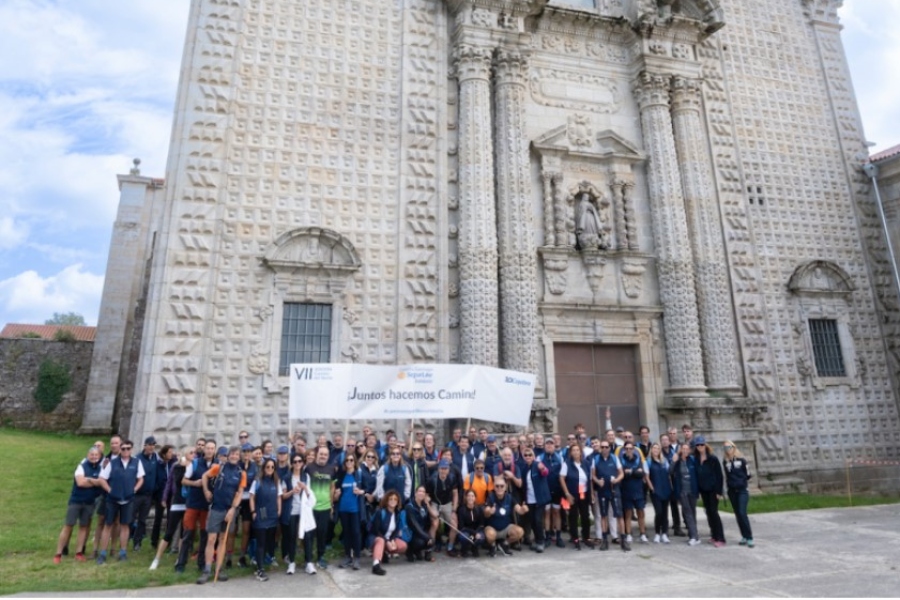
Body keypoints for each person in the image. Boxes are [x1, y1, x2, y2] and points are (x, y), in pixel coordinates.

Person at [197, 445, 247, 584]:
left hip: (229, 510)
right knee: (211, 539)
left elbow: (240, 492)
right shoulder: (219, 468)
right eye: (232, 454)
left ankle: (218, 568)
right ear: (228, 455)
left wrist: (233, 509)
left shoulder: (241, 473)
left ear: (239, 457)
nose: (234, 456)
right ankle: (207, 570)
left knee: (223, 540)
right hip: (216, 508)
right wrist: (206, 491)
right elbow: (205, 476)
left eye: (237, 455)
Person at [97, 440, 145, 564]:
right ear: (120, 449)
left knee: (125, 525)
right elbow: (102, 478)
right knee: (108, 524)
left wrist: (134, 489)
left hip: (128, 499)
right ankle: (103, 553)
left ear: (131, 449)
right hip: (112, 499)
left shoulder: (137, 462)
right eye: (123, 448)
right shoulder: (112, 463)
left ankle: (123, 552)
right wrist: (109, 490)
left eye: (128, 448)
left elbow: (141, 479)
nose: (125, 451)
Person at [55, 446, 103, 564]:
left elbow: (101, 483)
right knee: (68, 526)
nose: (94, 457)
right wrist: (94, 481)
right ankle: (58, 554)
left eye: (96, 455)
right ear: (88, 455)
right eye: (92, 455)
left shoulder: (101, 468)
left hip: (89, 502)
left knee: (83, 527)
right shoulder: (81, 467)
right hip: (76, 501)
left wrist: (89, 480)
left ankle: (79, 552)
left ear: (99, 456)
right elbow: (80, 483)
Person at [176, 439, 215, 573]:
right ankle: (181, 564)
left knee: (204, 536)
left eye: (212, 448)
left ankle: (202, 563)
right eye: (208, 448)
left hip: (207, 506)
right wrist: (195, 483)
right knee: (187, 534)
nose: (209, 450)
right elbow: (183, 481)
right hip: (193, 504)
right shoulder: (195, 463)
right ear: (204, 450)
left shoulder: (217, 466)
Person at [150, 446, 191, 570]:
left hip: (189, 503)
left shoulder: (195, 466)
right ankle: (157, 559)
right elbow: (175, 482)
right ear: (185, 454)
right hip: (177, 501)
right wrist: (164, 497)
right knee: (169, 531)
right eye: (191, 452)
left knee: (184, 533)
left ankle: (180, 558)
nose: (194, 455)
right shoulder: (177, 467)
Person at [283, 453, 317, 574]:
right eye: (295, 461)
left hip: (304, 511)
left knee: (307, 536)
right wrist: (293, 491)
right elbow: (283, 496)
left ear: (303, 463)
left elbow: (310, 495)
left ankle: (309, 562)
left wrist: (305, 488)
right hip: (292, 510)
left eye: (299, 461)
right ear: (292, 463)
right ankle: (292, 562)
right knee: (292, 536)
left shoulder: (306, 476)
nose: (297, 464)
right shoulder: (287, 477)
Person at [591, 437, 626, 551]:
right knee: (603, 515)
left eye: (607, 447)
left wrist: (616, 480)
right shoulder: (596, 459)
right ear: (600, 448)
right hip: (602, 491)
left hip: (614, 490)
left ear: (610, 448)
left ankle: (623, 540)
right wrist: (597, 481)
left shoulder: (615, 458)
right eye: (602, 447)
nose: (605, 449)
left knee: (619, 515)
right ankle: (605, 540)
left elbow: (621, 474)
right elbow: (593, 476)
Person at [305, 446, 336, 570]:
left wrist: (331, 503)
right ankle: (308, 560)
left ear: (328, 456)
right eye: (321, 454)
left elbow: (332, 487)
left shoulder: (331, 469)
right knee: (309, 535)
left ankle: (320, 557)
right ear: (317, 454)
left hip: (325, 507)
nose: (323, 456)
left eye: (325, 454)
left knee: (322, 534)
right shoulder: (309, 468)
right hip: (311, 508)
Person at [250, 458, 281, 581]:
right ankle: (260, 569)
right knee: (261, 543)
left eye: (272, 467)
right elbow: (252, 497)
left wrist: (279, 510)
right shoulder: (257, 481)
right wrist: (253, 511)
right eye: (268, 467)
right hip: (261, 514)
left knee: (270, 541)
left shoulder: (276, 482)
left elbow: (279, 497)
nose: (270, 469)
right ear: (263, 468)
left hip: (273, 515)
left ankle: (265, 560)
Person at [132, 436, 163, 553]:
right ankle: (127, 537)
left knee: (142, 520)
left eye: (153, 445)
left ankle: (137, 542)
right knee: (130, 518)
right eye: (149, 445)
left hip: (149, 495)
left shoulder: (156, 458)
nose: (151, 447)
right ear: (145, 445)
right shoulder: (137, 458)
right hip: (137, 494)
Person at [559, 443, 592, 549]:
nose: (576, 452)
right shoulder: (567, 463)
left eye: (578, 450)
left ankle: (586, 537)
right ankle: (575, 538)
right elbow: (561, 478)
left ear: (580, 452)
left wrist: (591, 494)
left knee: (585, 516)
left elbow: (590, 479)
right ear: (570, 453)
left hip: (583, 492)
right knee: (573, 516)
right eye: (573, 450)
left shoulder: (586, 463)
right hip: (572, 493)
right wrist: (567, 494)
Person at [335, 453, 365, 570]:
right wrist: (336, 494)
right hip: (343, 508)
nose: (349, 462)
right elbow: (337, 490)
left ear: (355, 462)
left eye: (351, 460)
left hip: (355, 509)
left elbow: (366, 488)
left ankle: (357, 557)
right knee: (346, 533)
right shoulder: (342, 475)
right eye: (347, 460)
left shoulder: (358, 474)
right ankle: (348, 556)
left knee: (356, 533)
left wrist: (361, 491)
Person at [694, 436, 726, 547]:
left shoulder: (712, 459)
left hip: (713, 490)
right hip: (704, 490)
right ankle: (714, 535)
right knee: (708, 512)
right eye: (697, 445)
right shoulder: (696, 459)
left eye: (701, 445)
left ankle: (721, 538)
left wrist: (719, 491)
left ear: (705, 445)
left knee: (714, 512)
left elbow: (719, 476)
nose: (700, 447)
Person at [369, 490, 409, 576]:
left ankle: (384, 553)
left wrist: (392, 540)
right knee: (381, 541)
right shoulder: (380, 512)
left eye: (395, 499)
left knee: (403, 546)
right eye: (390, 499)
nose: (393, 501)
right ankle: (376, 565)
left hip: (388, 538)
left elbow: (396, 530)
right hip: (375, 538)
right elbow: (376, 530)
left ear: (398, 502)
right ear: (386, 501)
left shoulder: (397, 514)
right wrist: (387, 541)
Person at [484, 479, 527, 556]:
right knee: (489, 534)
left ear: (505, 487)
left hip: (506, 528)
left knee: (520, 531)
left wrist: (523, 509)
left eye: (502, 486)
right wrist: (489, 511)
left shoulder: (510, 498)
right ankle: (493, 546)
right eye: (497, 486)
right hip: (493, 528)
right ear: (494, 487)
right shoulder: (490, 497)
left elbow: (519, 510)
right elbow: (486, 513)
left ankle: (504, 544)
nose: (499, 488)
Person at [723, 440, 754, 547]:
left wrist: (741, 482)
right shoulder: (725, 462)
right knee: (737, 514)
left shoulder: (741, 460)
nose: (727, 450)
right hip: (732, 491)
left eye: (729, 447)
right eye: (725, 448)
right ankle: (744, 536)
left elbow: (748, 474)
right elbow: (727, 475)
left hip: (742, 490)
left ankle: (749, 537)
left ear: (733, 447)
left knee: (742, 512)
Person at [670, 440, 701, 546]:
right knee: (688, 513)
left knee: (693, 513)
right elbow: (669, 471)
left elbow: (697, 474)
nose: (684, 451)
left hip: (692, 490)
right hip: (682, 491)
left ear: (689, 450)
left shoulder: (692, 460)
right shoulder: (678, 461)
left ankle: (695, 535)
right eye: (682, 449)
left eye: (686, 449)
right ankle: (693, 536)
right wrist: (673, 461)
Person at [520, 447, 550, 552]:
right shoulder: (524, 469)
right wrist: (524, 500)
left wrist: (543, 468)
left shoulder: (537, 465)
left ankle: (541, 541)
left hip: (539, 499)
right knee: (532, 521)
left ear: (533, 456)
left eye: (530, 455)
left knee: (538, 520)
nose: (528, 457)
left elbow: (545, 473)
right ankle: (537, 541)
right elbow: (524, 486)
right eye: (526, 455)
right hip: (530, 499)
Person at [537, 438, 564, 548]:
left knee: (556, 512)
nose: (549, 445)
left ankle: (558, 537)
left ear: (554, 445)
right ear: (544, 446)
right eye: (547, 444)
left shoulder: (560, 458)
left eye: (551, 443)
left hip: (557, 490)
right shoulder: (540, 458)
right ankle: (547, 536)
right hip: (545, 490)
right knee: (546, 513)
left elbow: (563, 475)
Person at [426, 460, 458, 554]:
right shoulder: (432, 480)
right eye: (441, 468)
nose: (443, 471)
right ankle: (431, 546)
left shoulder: (452, 478)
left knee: (454, 525)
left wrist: (454, 510)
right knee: (435, 523)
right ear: (438, 469)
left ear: (448, 469)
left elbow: (455, 494)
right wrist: (431, 509)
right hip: (435, 503)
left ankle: (450, 547)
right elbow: (426, 496)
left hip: (447, 503)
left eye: (445, 469)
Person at [619, 441, 648, 544]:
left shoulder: (638, 459)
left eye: (630, 448)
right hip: (626, 490)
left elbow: (641, 473)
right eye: (626, 448)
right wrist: (634, 472)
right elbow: (623, 473)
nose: (628, 450)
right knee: (628, 514)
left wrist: (630, 472)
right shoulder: (621, 459)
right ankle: (629, 534)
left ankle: (643, 534)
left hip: (638, 490)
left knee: (641, 512)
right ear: (624, 449)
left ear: (633, 449)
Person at [647, 442, 672, 543]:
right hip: (655, 490)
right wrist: (651, 487)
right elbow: (646, 476)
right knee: (659, 512)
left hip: (665, 489)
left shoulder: (664, 461)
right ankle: (657, 533)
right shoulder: (648, 461)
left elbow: (669, 473)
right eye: (654, 448)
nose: (656, 450)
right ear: (651, 450)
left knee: (665, 513)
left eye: (657, 448)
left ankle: (665, 533)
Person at [404, 485, 437, 562]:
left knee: (432, 539)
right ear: (415, 493)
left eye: (423, 492)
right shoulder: (410, 506)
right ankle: (410, 551)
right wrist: (426, 537)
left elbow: (433, 517)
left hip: (421, 531)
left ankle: (426, 554)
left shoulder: (424, 506)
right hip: (412, 533)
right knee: (422, 542)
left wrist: (427, 504)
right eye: (419, 491)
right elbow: (414, 526)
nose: (421, 493)